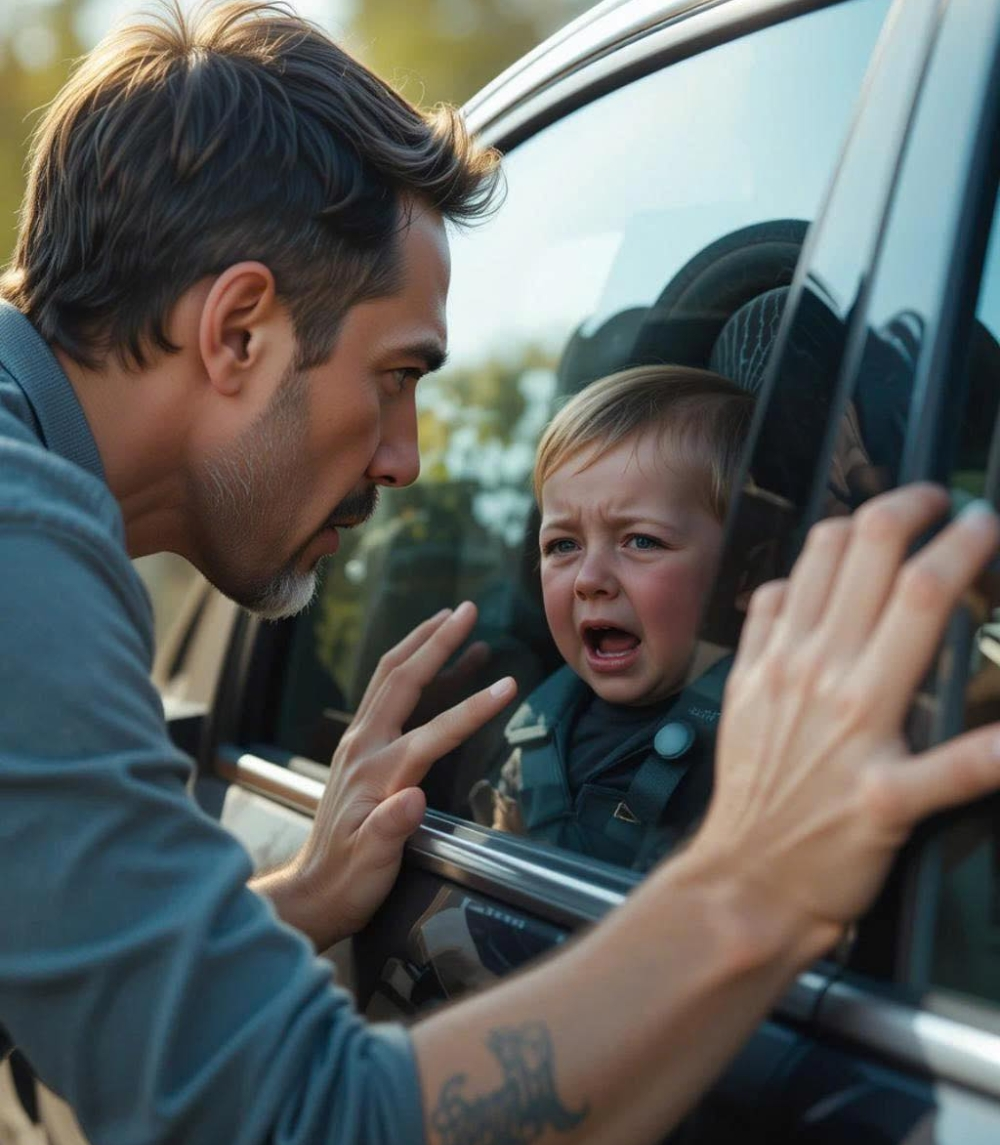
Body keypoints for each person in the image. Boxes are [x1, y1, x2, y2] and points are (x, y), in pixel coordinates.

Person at [3, 5, 1000, 1145]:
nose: (407, 456)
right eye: (396, 374)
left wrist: (310, 898)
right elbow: (305, 1120)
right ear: (237, 331)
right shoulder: (19, 550)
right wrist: (755, 884)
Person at [473, 365, 754, 870]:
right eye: (562, 545)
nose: (588, 578)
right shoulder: (534, 729)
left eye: (641, 540)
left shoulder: (756, 743)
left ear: (745, 574)